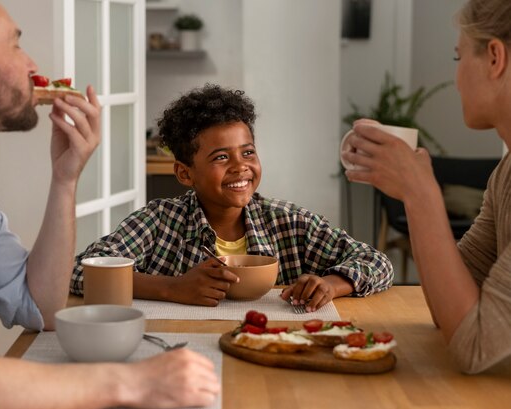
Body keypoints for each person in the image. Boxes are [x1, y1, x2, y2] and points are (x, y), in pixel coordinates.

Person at [0, 0, 220, 409]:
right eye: (15, 44)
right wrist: (134, 381)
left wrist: (65, 179)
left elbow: (41, 306)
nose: (32, 64)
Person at [71, 84, 393, 309]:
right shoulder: (159, 222)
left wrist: (333, 284)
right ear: (185, 173)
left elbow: (377, 263)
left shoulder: (290, 223)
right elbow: (81, 272)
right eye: (221, 157)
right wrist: (173, 287)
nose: (241, 167)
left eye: (248, 152)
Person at [341, 0, 511, 374]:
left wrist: (420, 194)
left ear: (495, 58)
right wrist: (413, 184)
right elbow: (449, 312)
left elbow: (476, 346)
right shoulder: (506, 174)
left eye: (458, 57)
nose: (457, 76)